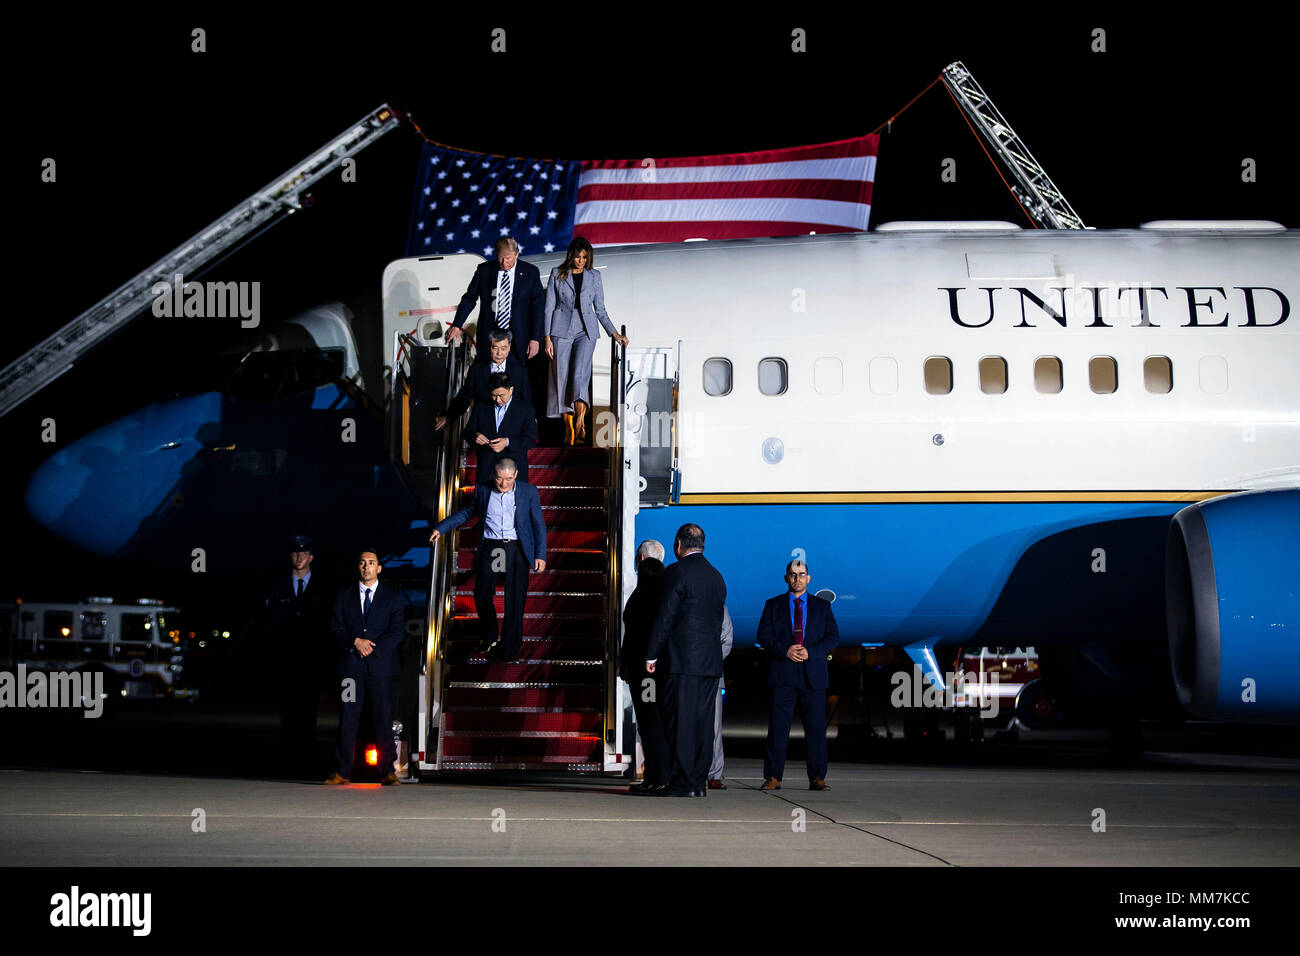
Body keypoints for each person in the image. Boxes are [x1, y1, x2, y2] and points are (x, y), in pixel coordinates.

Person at [430, 458, 546, 662]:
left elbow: (538, 524)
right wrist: (442, 527)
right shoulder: (483, 490)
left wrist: (540, 554)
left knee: (515, 600)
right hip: (493, 548)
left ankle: (509, 649)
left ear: (516, 475)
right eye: (500, 479)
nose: (504, 484)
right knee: (482, 593)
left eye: (509, 479)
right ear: (494, 475)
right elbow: (468, 513)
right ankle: (490, 635)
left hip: (516, 547)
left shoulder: (529, 492)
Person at [645, 523, 727, 797]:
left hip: (682, 661)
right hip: (710, 663)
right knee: (703, 725)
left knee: (679, 722)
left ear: (678, 545)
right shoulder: (717, 577)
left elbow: (665, 616)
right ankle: (697, 783)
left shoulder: (676, 572)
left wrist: (651, 653)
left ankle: (681, 783)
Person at [324, 550, 407, 786]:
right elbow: (335, 627)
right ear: (357, 567)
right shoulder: (344, 596)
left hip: (380, 669)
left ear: (379, 568)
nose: (366, 566)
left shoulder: (392, 597)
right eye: (362, 562)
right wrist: (354, 641)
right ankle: (341, 772)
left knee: (382, 718)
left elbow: (397, 632)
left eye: (371, 563)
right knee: (348, 718)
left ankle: (387, 771)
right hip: (351, 670)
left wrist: (373, 647)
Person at [756, 559, 839, 791]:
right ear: (786, 578)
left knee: (815, 730)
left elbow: (833, 637)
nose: (797, 578)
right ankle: (773, 776)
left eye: (801, 574)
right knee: (778, 728)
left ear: (808, 578)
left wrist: (810, 652)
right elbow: (763, 635)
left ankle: (817, 777)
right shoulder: (772, 605)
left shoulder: (822, 607)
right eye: (793, 574)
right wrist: (785, 649)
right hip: (783, 673)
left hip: (813, 675)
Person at [542, 237, 628, 445]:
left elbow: (600, 309)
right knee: (560, 377)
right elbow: (549, 307)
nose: (580, 261)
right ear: (571, 255)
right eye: (577, 257)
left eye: (584, 257)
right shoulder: (557, 273)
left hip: (586, 330)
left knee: (580, 375)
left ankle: (580, 420)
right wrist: (546, 338)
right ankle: (569, 427)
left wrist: (614, 334)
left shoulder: (595, 276)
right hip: (560, 329)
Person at [265, 534, 330, 778]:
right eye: (295, 553)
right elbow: (271, 627)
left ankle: (307, 765)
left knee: (308, 716)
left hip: (311, 665)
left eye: (304, 553)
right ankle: (288, 765)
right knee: (288, 716)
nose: (299, 557)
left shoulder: (323, 589)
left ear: (311, 557)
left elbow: (327, 628)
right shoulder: (279, 589)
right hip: (286, 664)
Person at [446, 236, 543, 367]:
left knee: (515, 380)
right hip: (490, 337)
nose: (503, 262)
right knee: (487, 379)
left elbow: (538, 308)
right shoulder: (484, 270)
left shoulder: (530, 272)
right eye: (500, 258)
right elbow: (469, 299)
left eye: (508, 258)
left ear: (516, 254)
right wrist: (456, 325)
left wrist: (535, 338)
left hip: (518, 339)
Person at [620, 540, 669, 794]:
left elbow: (633, 636)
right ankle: (656, 774)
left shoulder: (643, 593)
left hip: (645, 672)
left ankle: (657, 776)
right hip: (660, 670)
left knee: (649, 721)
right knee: (656, 720)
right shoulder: (665, 590)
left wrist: (625, 665)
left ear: (640, 559)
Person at [437, 330, 531, 432]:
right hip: (484, 427)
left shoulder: (520, 371)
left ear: (509, 347)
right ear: (489, 347)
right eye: (495, 348)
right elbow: (465, 397)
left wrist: (529, 422)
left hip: (511, 426)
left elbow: (525, 399)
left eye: (503, 348)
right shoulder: (476, 370)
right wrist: (449, 416)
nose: (499, 353)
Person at [464, 372, 537, 483]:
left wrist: (507, 442)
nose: (497, 400)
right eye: (494, 395)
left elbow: (530, 439)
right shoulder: (481, 406)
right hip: (486, 469)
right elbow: (468, 431)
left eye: (501, 395)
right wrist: (475, 435)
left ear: (511, 390)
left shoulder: (526, 410)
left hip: (513, 471)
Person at [708, 605, 734, 790]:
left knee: (714, 727)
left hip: (712, 674)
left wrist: (709, 662)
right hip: (687, 674)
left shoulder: (720, 607)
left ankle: (714, 774)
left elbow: (727, 639)